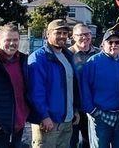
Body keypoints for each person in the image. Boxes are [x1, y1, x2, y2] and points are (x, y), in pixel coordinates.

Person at [28, 19, 80, 147]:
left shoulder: (67, 55)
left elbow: (70, 87)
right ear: (48, 34)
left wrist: (74, 110)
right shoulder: (38, 58)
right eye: (58, 33)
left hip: (66, 121)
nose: (62, 36)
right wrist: (44, 116)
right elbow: (36, 92)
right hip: (49, 123)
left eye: (65, 33)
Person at [81, 29, 119, 148]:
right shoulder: (93, 62)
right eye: (110, 42)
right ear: (103, 44)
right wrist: (92, 111)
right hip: (100, 115)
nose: (114, 45)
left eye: (117, 42)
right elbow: (84, 89)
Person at [69, 23, 99, 148]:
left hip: (93, 106)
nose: (84, 37)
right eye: (80, 35)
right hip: (73, 106)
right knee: (72, 141)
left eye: (87, 34)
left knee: (89, 141)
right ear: (73, 37)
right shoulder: (67, 54)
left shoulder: (98, 54)